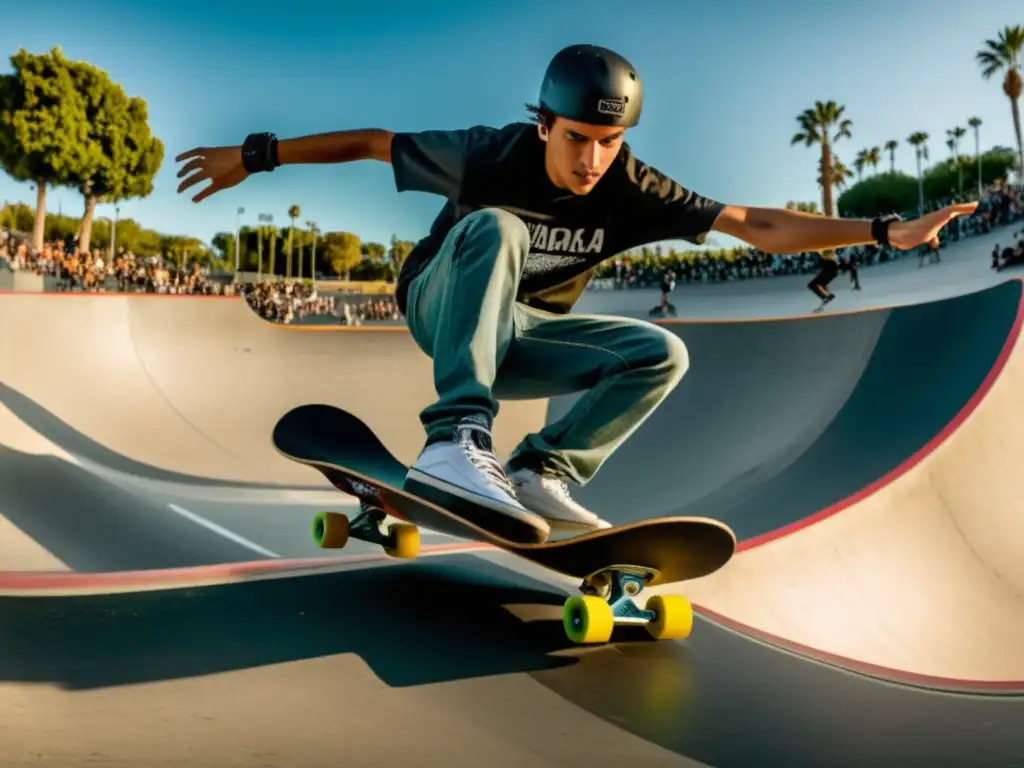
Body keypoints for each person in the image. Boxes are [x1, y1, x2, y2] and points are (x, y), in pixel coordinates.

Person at [174, 44, 977, 541]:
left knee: (659, 352)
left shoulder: (634, 187)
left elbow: (754, 223)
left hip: (520, 337)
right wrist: (258, 153)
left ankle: (539, 472)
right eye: (579, 141)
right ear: (546, 125)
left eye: (609, 143)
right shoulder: (491, 154)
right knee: (498, 228)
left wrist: (881, 233)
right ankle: (455, 439)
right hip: (439, 301)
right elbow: (371, 142)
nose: (593, 161)